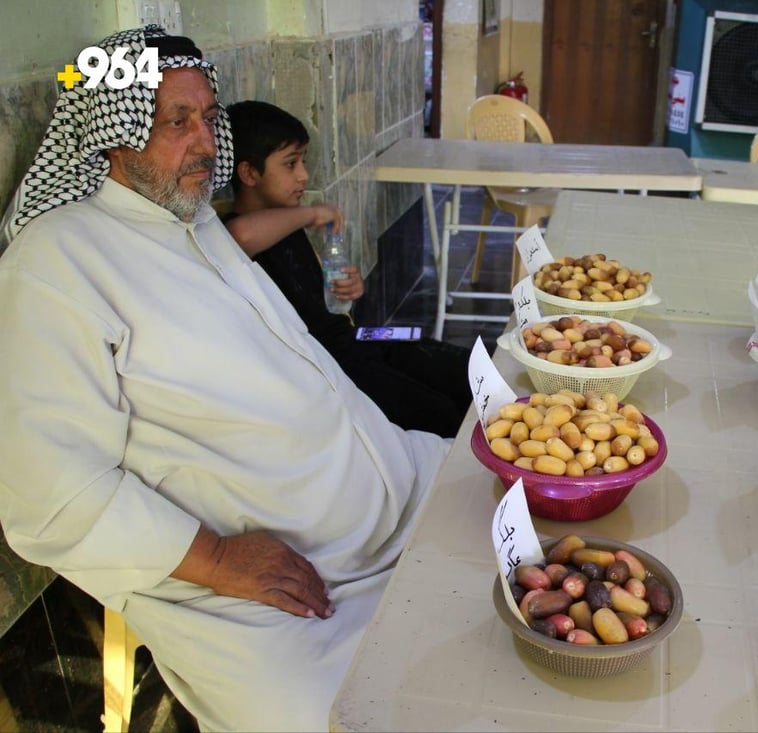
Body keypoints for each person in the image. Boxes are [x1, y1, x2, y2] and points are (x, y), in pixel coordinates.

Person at [0, 27, 449, 731]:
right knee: (348, 715)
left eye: (207, 118)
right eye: (177, 121)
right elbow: (48, 495)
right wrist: (214, 558)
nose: (207, 141)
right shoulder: (56, 262)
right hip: (269, 591)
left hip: (390, 489)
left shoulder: (192, 219)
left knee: (526, 524)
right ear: (113, 132)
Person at [221, 99, 472, 438]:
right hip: (325, 361)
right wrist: (310, 214)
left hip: (356, 335)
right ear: (249, 173)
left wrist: (348, 287)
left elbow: (315, 291)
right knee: (439, 411)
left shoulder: (287, 220)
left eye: (303, 162)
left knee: (452, 360)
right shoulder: (235, 232)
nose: (304, 176)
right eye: (291, 164)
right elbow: (241, 233)